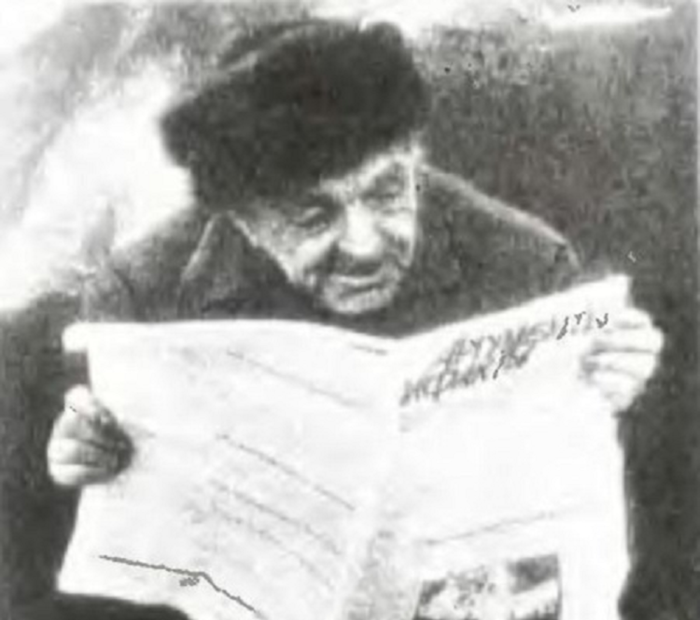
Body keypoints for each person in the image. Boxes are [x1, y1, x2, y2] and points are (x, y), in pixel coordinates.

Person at [1, 18, 661, 620]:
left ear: (415, 156)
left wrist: (613, 382)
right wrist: (84, 462)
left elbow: (598, 527)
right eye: (313, 216)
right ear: (240, 217)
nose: (365, 245)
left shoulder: (526, 268)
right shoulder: (143, 300)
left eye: (387, 190)